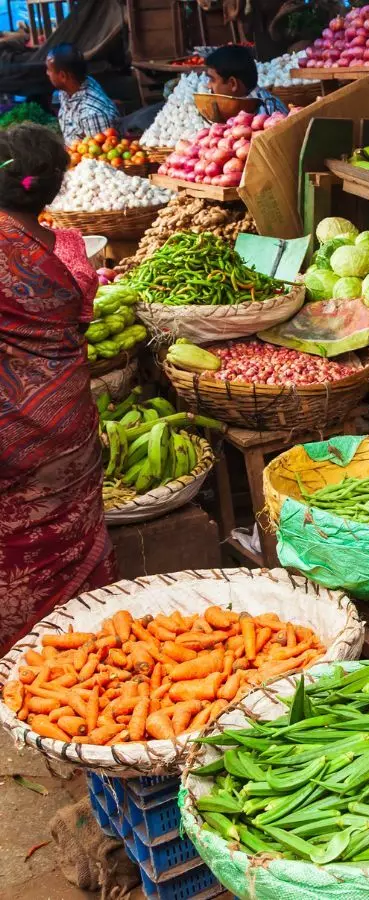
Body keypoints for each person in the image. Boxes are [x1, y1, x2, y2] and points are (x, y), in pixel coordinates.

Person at [0, 123, 117, 651]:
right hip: (67, 423)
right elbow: (80, 315)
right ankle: (83, 646)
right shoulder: (70, 249)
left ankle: (20, 656)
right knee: (71, 537)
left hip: (10, 433)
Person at [46, 43, 119, 144]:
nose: (47, 73)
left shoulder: (92, 114)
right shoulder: (68, 89)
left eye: (49, 70)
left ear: (63, 76)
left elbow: (98, 157)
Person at [205, 45, 289, 117]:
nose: (208, 86)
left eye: (212, 80)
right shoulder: (241, 109)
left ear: (233, 84)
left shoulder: (268, 111)